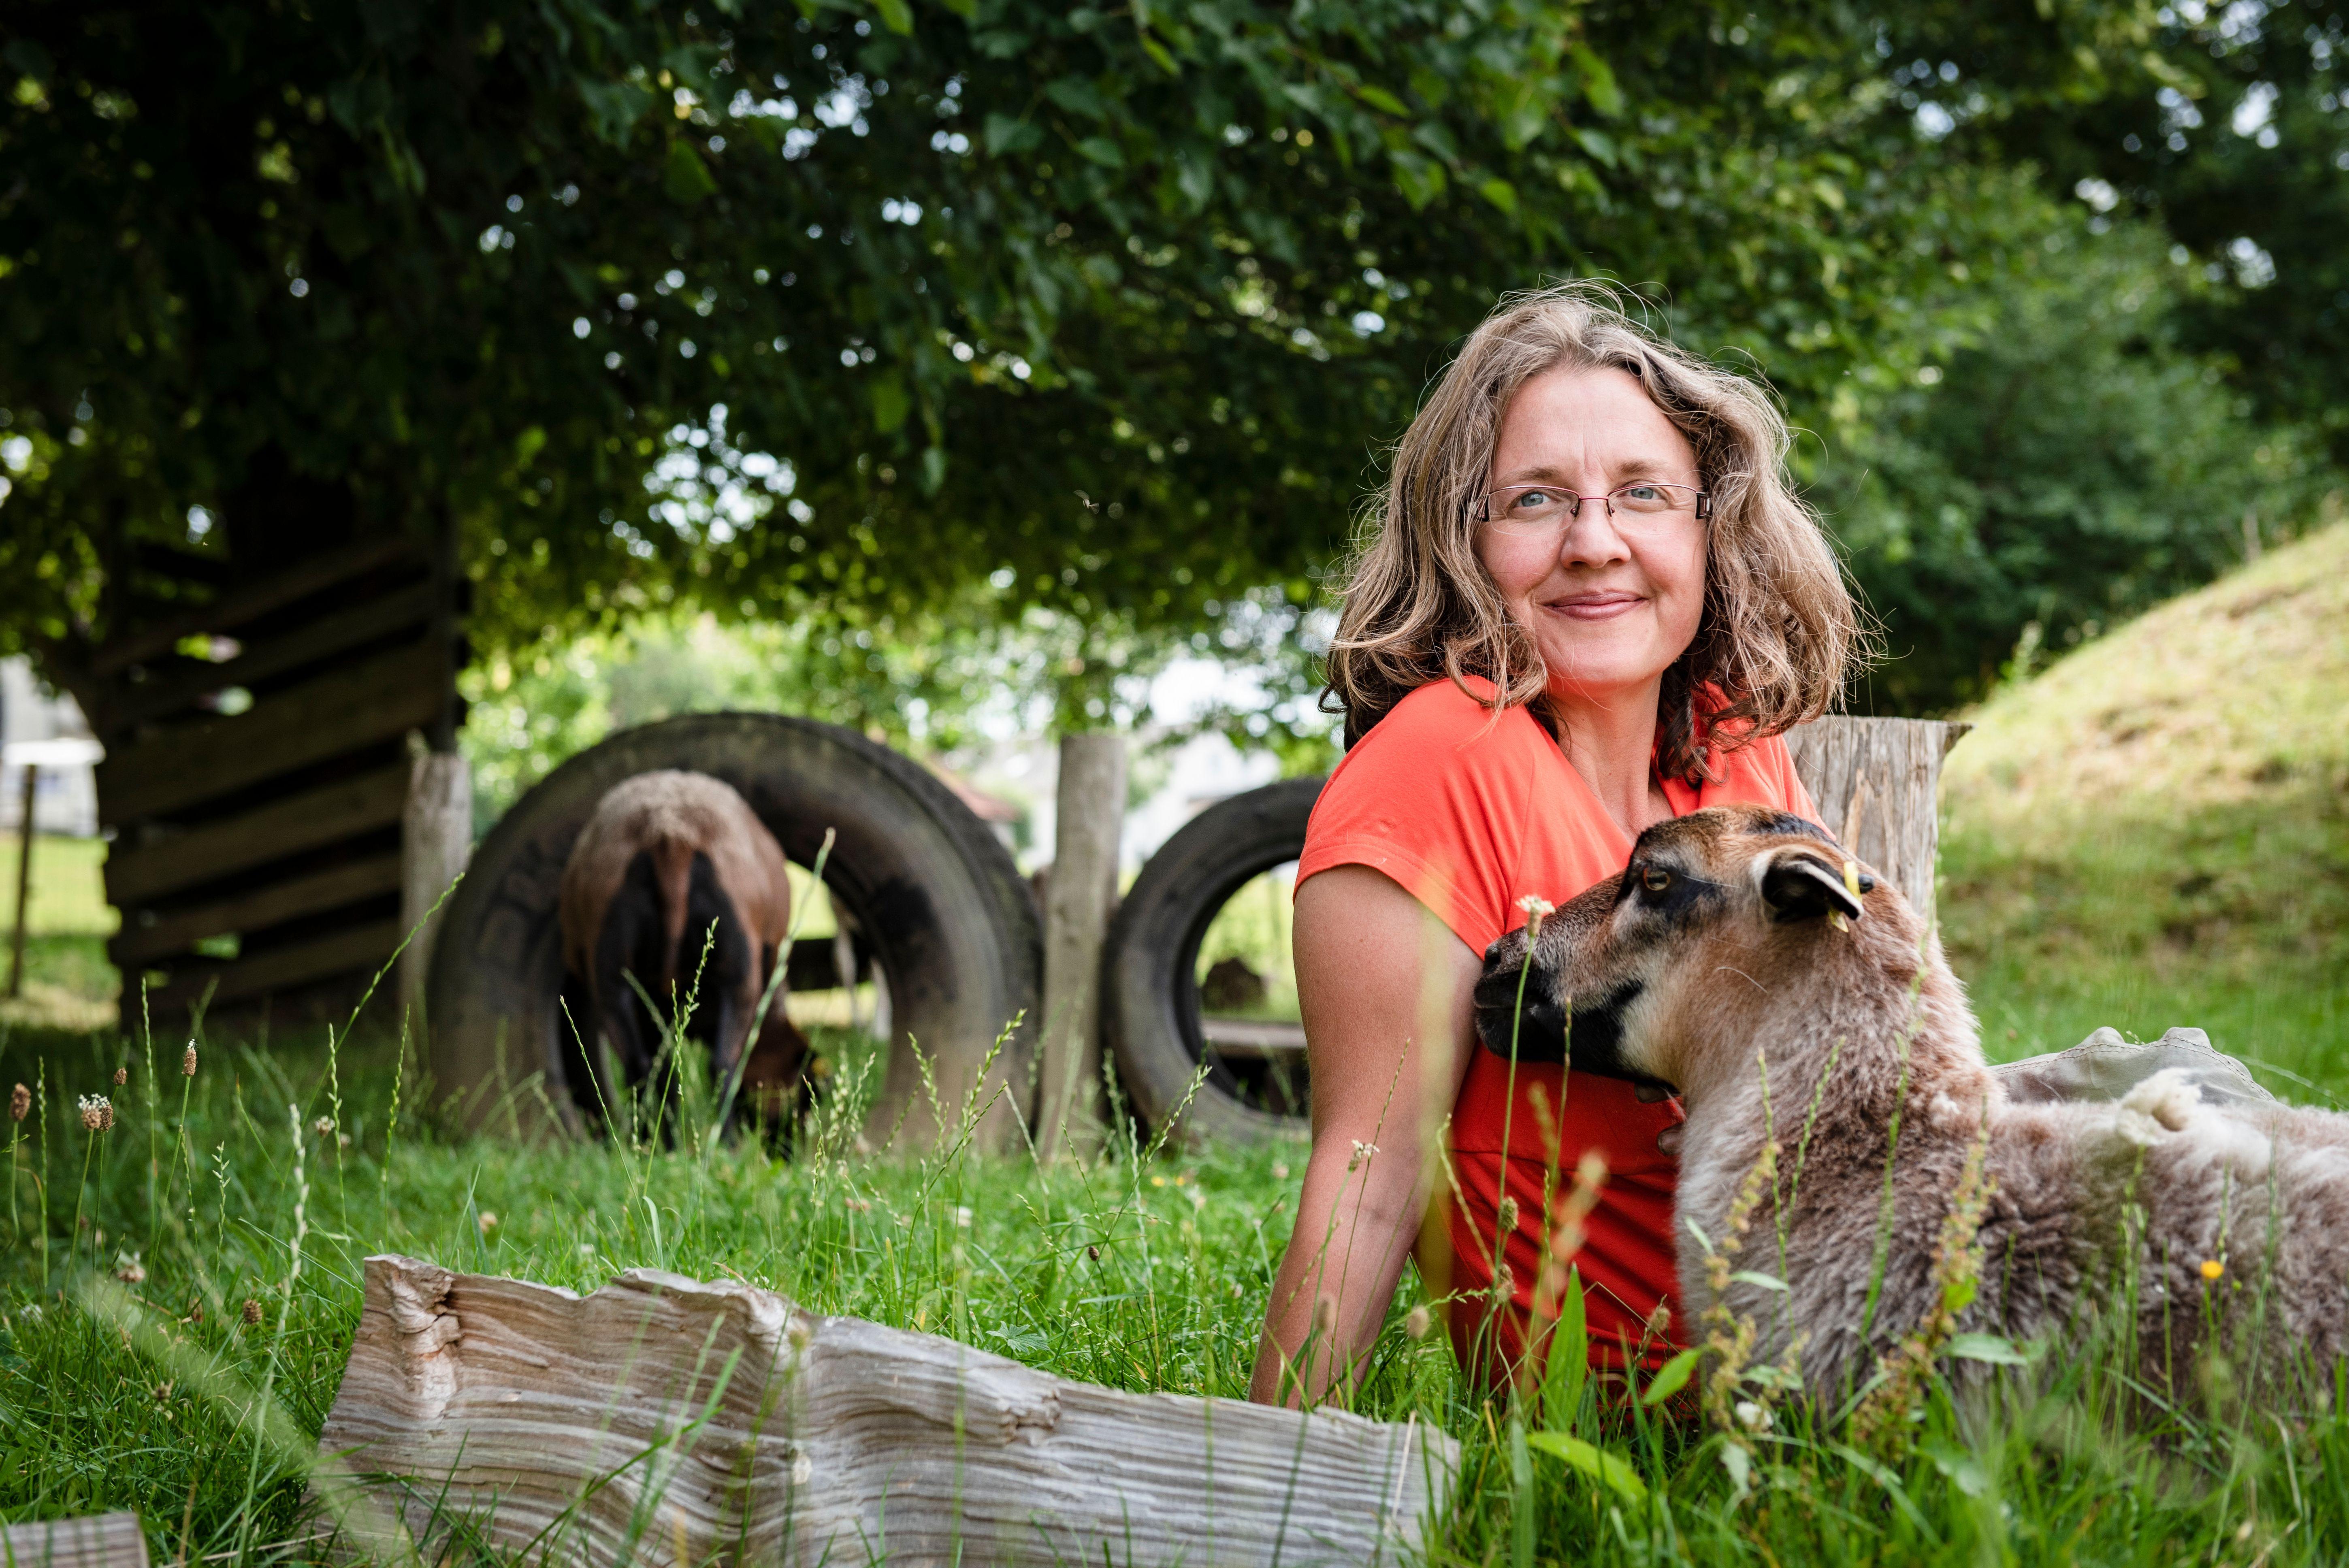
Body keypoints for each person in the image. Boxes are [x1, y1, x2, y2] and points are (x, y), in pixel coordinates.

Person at [1247, 283, 1859, 1403]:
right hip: (1633, 1439)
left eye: (1642, 494)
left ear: (1707, 529)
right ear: (1466, 539)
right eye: (1536, 501)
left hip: (1847, 1357)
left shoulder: (1736, 752)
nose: (1595, 543)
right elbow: (1369, 1183)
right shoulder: (1433, 767)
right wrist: (1265, 1502)